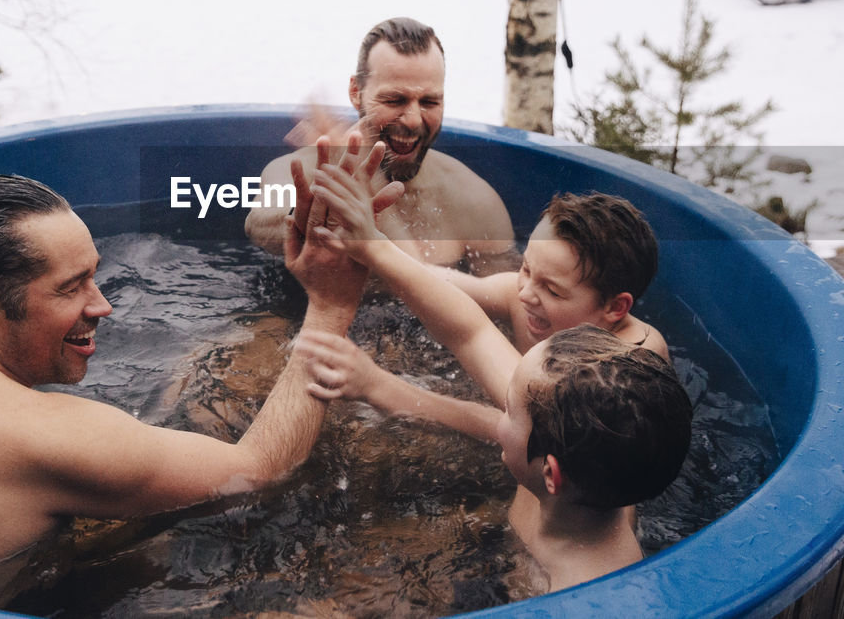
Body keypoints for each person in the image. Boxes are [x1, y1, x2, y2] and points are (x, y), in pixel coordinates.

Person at [0, 172, 372, 603]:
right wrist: (329, 307)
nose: (102, 304)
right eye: (70, 287)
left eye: (94, 274)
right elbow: (259, 469)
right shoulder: (44, 434)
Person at [295, 159, 692, 593]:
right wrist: (366, 248)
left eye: (553, 289)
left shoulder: (628, 365)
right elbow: (466, 324)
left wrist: (386, 389)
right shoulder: (553, 451)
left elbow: (495, 377)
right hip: (539, 515)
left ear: (616, 308)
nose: (524, 293)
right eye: (525, 269)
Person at [244, 16, 516, 275]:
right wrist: (319, 206)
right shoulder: (299, 170)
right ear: (355, 92)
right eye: (394, 100)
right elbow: (260, 224)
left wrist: (366, 188)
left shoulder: (474, 201)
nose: (412, 121)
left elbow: (508, 308)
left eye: (429, 102)